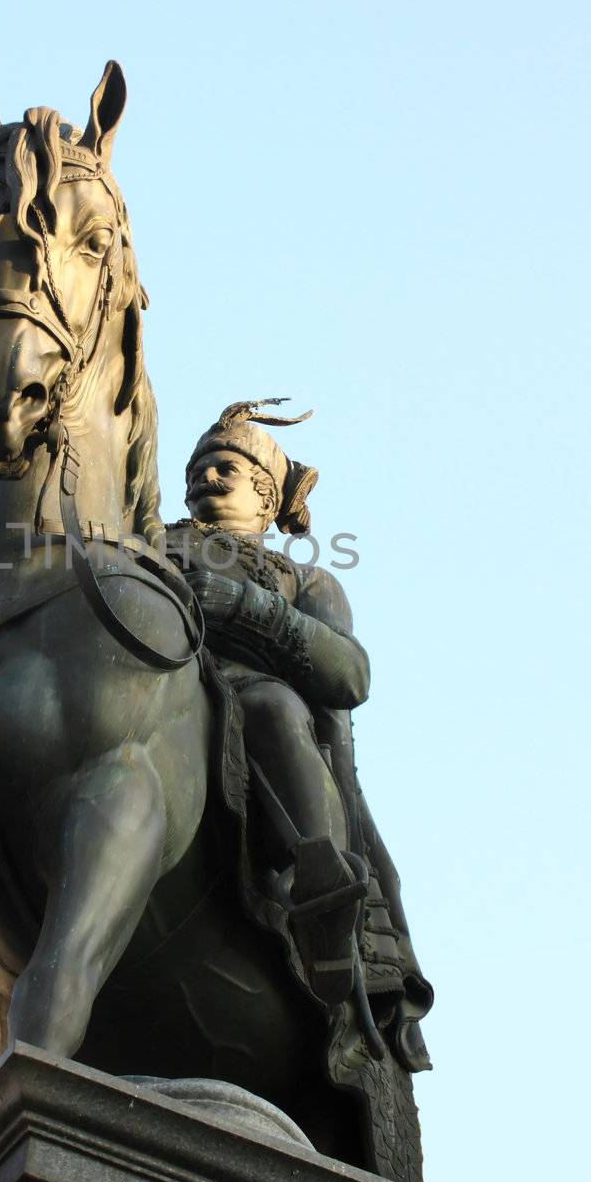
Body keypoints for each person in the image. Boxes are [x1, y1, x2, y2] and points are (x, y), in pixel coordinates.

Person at [164, 401, 430, 1045]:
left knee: (274, 706)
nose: (204, 478)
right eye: (197, 469)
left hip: (244, 699)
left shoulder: (303, 579)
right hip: (151, 685)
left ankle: (322, 886)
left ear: (263, 494)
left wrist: (250, 607)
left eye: (223, 468)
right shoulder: (146, 539)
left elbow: (350, 675)